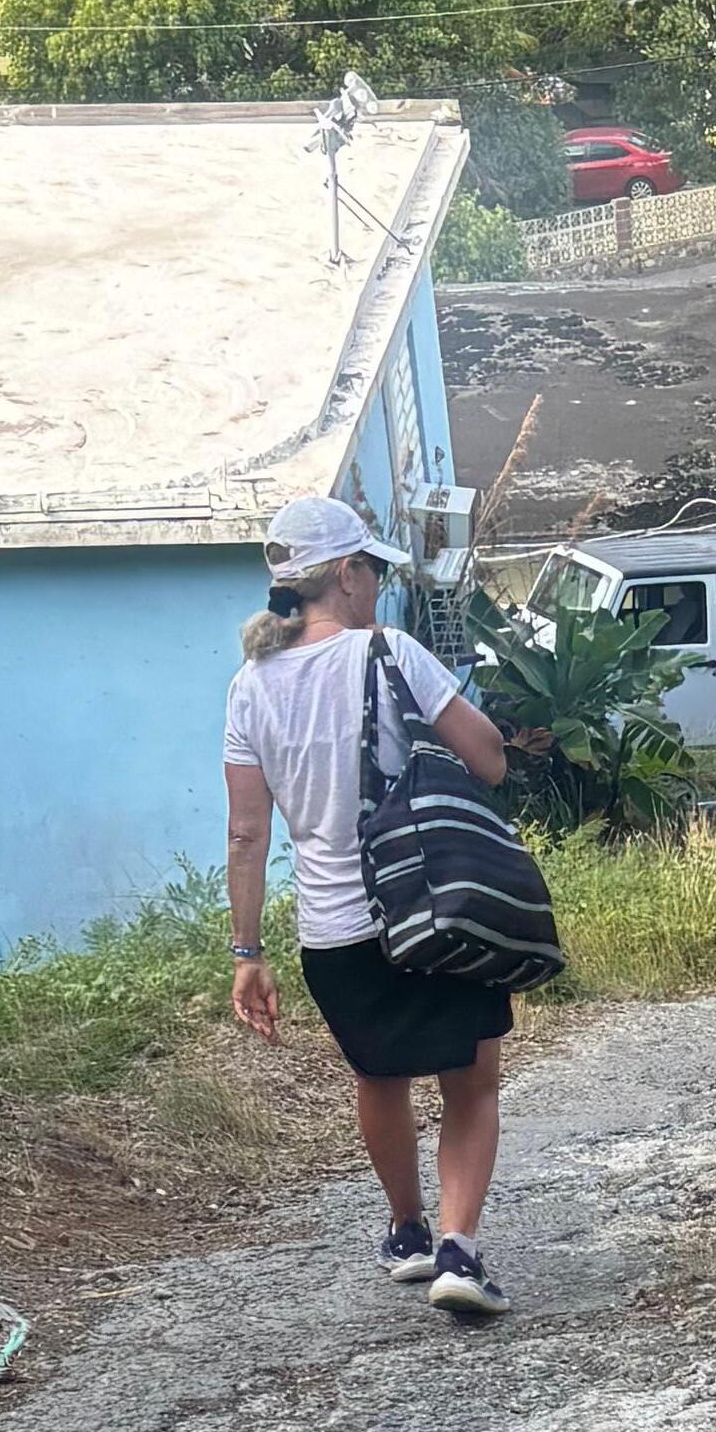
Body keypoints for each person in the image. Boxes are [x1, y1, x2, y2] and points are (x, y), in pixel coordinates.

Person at [222, 500, 524, 1322]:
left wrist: (246, 952)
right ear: (348, 576)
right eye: (375, 570)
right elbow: (489, 759)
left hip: (332, 929)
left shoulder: (250, 687)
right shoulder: (391, 652)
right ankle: (459, 1249)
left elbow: (247, 832)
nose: (380, 585)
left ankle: (407, 1232)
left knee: (377, 1076)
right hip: (430, 907)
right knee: (472, 1083)